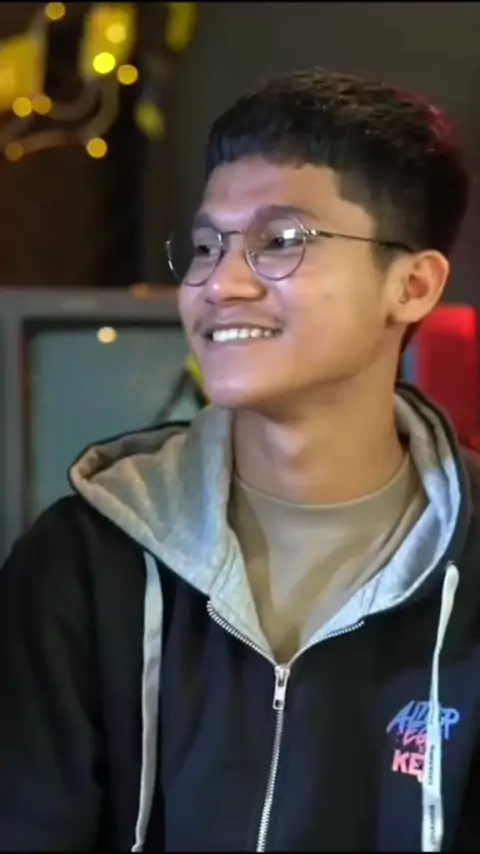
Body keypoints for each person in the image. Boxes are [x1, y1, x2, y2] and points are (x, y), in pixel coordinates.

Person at [0, 66, 477, 853]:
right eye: (204, 247)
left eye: (280, 242)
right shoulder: (82, 564)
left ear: (413, 285)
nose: (218, 284)